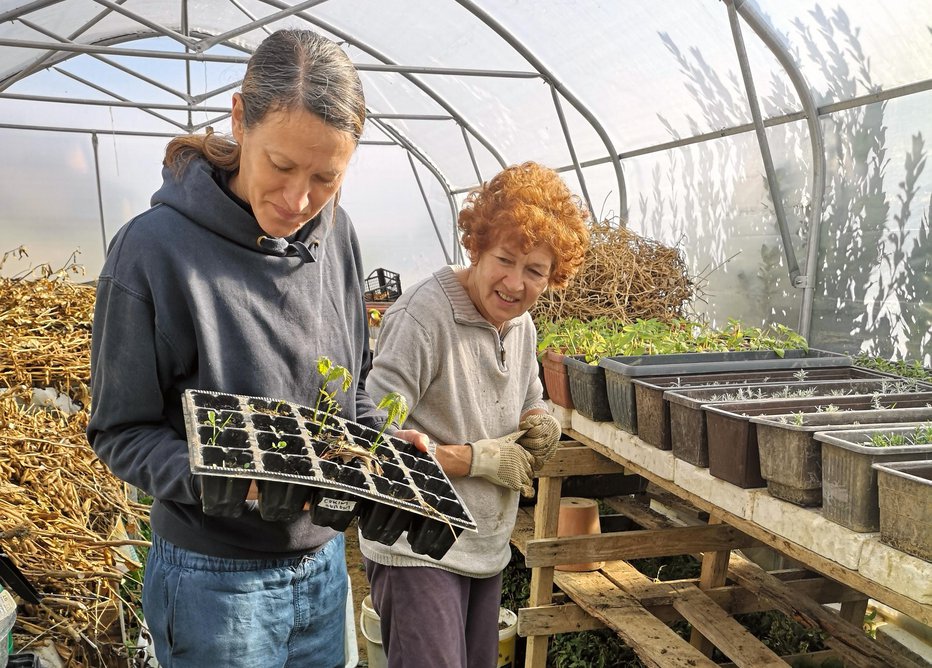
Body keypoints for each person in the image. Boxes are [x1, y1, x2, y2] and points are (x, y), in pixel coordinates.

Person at [87, 29, 424, 668]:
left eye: (326, 177)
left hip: (323, 569)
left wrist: (381, 445)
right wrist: (220, 475)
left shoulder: (337, 232)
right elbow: (120, 431)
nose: (299, 200)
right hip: (212, 581)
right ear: (240, 119)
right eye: (282, 166)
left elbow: (348, 389)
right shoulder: (153, 251)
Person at [359, 161, 590, 668]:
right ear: (476, 246)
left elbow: (529, 390)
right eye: (504, 259)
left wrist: (539, 417)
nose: (514, 282)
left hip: (485, 544)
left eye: (535, 271)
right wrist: (477, 460)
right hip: (418, 544)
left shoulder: (521, 324)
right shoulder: (423, 316)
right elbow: (372, 444)